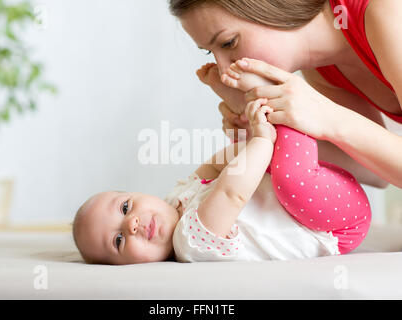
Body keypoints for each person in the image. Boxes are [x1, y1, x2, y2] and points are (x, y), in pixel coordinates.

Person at [72, 64, 371, 265]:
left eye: (125, 208)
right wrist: (263, 141)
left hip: (317, 191)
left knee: (244, 157)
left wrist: (251, 143)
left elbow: (215, 166)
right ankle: (276, 99)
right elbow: (232, 194)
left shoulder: (176, 199)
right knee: (284, 177)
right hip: (332, 225)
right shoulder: (190, 243)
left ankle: (259, 105)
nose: (132, 223)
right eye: (119, 240)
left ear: (134, 193)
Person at [169, 0, 402, 189]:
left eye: (229, 42)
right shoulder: (320, 71)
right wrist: (271, 132)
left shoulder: (386, 11)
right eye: (211, 52)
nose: (223, 70)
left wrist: (328, 116)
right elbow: (377, 173)